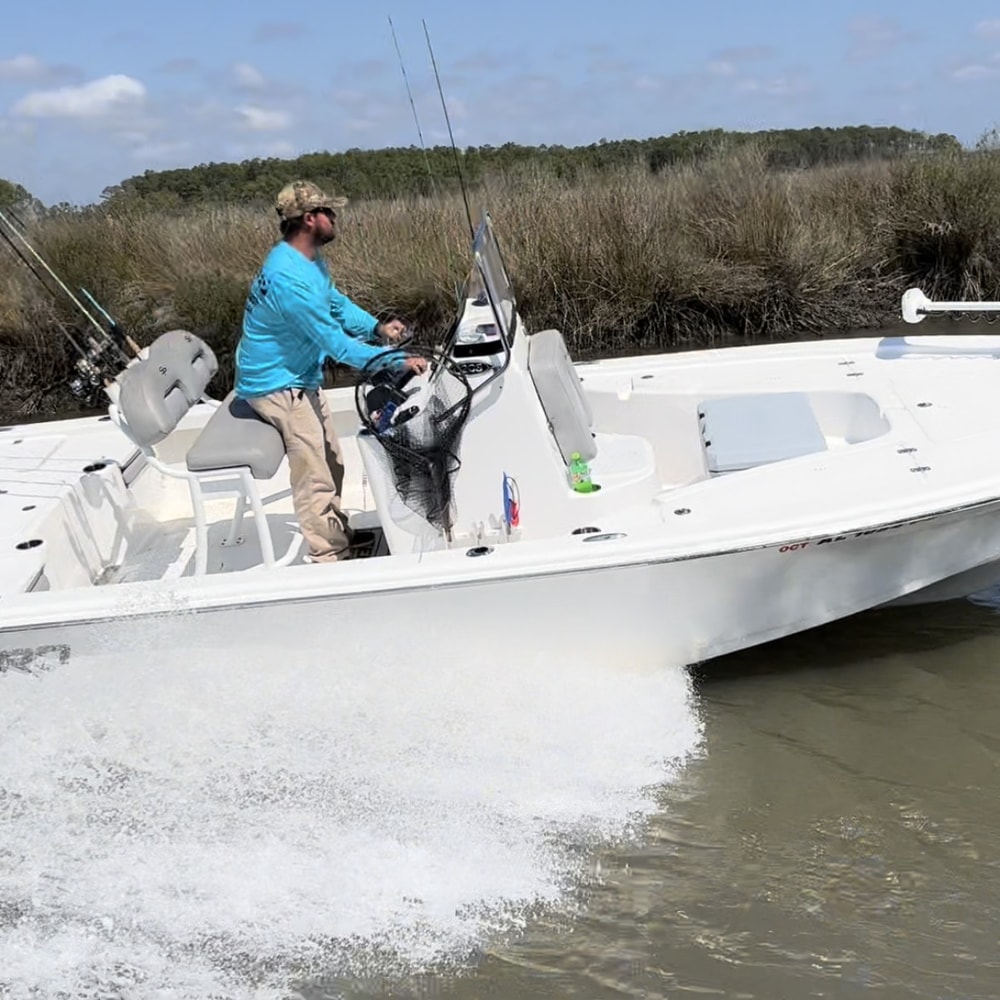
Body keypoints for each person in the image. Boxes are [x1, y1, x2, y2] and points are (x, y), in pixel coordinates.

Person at [234, 179, 427, 563]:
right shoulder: (289, 281)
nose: (335, 217)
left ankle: (339, 535)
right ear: (310, 219)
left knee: (334, 462)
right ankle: (329, 557)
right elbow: (336, 345)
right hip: (276, 385)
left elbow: (336, 304)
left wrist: (377, 328)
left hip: (300, 376)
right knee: (315, 475)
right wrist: (395, 360)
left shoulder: (306, 260)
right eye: (329, 211)